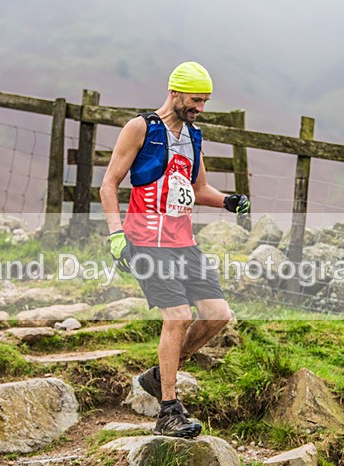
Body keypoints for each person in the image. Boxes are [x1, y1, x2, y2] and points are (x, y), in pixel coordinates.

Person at [99, 62, 250, 438]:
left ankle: (158, 375)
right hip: (146, 241)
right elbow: (108, 185)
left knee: (218, 315)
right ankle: (168, 411)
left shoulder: (194, 136)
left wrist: (228, 201)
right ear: (175, 93)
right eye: (195, 100)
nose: (200, 108)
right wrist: (116, 234)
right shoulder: (141, 128)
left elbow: (198, 190)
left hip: (184, 242)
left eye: (205, 102)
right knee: (178, 316)